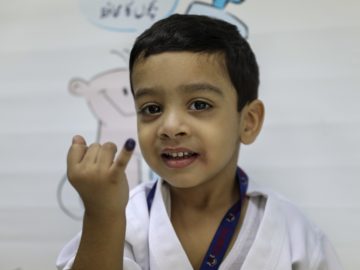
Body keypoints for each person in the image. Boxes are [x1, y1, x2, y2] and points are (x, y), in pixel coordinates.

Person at [56, 14, 343, 270]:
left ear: (249, 121)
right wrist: (102, 214)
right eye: (152, 108)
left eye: (199, 104)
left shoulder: (293, 233)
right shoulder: (123, 218)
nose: (169, 128)